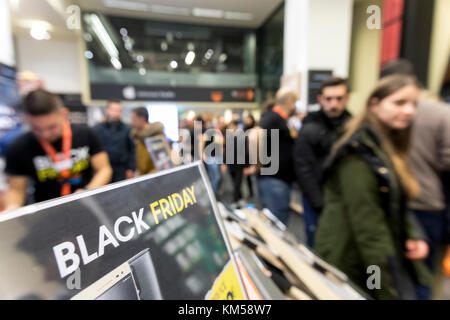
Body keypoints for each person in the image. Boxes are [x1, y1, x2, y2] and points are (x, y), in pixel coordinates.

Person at [315, 75, 431, 300]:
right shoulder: (358, 153)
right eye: (399, 103)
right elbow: (368, 230)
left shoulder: (383, 147)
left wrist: (411, 233)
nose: (408, 111)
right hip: (355, 261)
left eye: (413, 105)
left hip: (371, 258)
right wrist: (385, 290)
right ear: (375, 105)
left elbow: (392, 200)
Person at [380, 59, 450, 274]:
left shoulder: (383, 113)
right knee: (422, 273)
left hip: (398, 201)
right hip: (426, 202)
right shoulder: (440, 112)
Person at [3, 89, 112, 210]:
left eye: (52, 127)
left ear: (64, 114)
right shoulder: (19, 147)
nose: (45, 134)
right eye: (36, 128)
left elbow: (104, 169)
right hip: (45, 212)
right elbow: (16, 190)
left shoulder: (86, 134)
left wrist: (88, 191)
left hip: (88, 206)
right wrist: (11, 210)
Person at [293, 77, 352, 247]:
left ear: (346, 98)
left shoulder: (352, 126)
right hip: (318, 200)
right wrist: (318, 202)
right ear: (320, 99)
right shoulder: (310, 128)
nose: (334, 104)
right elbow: (303, 167)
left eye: (339, 98)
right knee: (318, 245)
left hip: (344, 202)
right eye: (329, 99)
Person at [248, 88, 298, 225]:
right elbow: (254, 136)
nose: (296, 107)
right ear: (289, 102)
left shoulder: (278, 118)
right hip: (274, 180)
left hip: (276, 180)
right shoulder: (274, 117)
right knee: (276, 225)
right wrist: (258, 164)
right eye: (296, 103)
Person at [93, 100, 136, 183]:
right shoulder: (97, 129)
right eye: (113, 110)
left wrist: (131, 168)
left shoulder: (127, 129)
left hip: (121, 170)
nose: (116, 113)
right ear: (107, 110)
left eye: (118, 111)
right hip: (102, 170)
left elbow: (132, 150)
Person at [130, 107, 166, 176]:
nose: (132, 122)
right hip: (143, 178)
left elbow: (163, 162)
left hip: (155, 179)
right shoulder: (138, 137)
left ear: (142, 119)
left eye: (133, 119)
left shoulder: (156, 136)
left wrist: (148, 179)